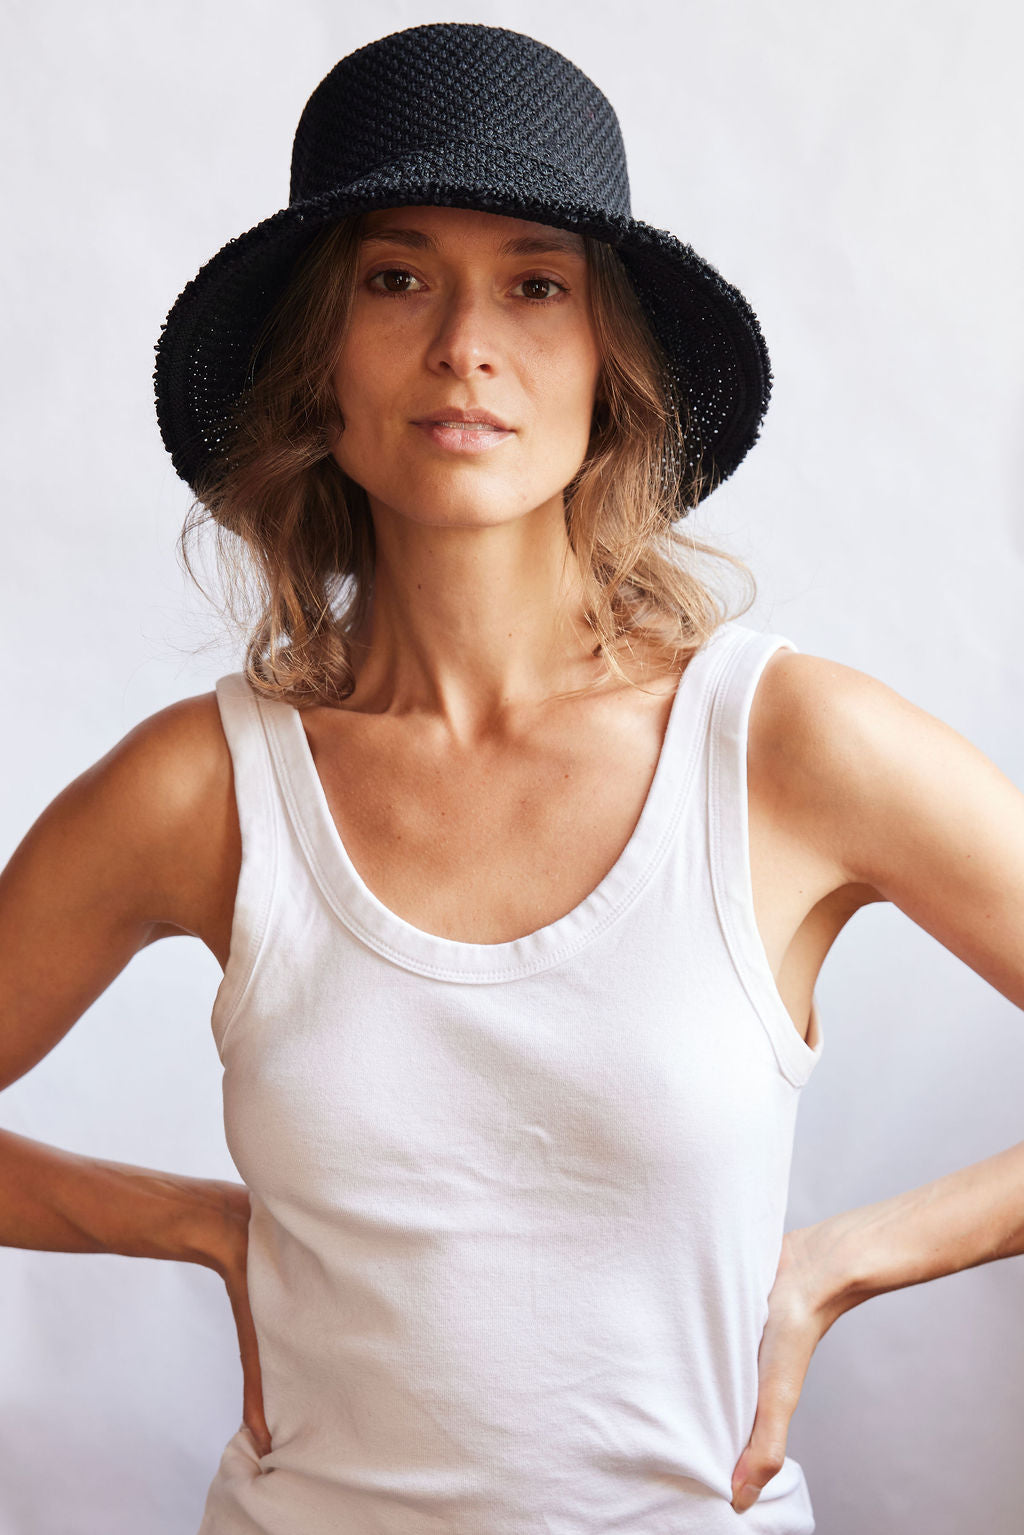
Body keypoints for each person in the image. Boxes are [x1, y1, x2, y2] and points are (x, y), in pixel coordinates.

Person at [2, 20, 1022, 1535]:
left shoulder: (784, 748)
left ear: (609, 367)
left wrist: (845, 1261)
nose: (463, 346)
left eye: (536, 285)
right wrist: (192, 1222)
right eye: (394, 280)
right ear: (318, 363)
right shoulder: (205, 786)